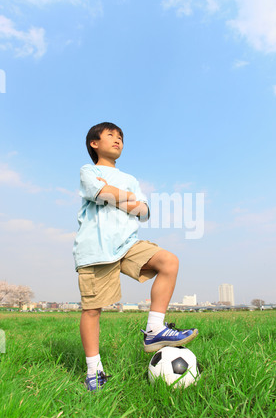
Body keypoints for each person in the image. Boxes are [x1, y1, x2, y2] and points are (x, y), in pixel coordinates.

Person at [73, 122, 198, 391]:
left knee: (169, 261)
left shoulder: (130, 179)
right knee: (93, 310)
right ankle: (94, 370)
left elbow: (143, 211)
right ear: (94, 143)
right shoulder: (89, 171)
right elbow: (99, 192)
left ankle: (154, 329)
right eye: (111, 136)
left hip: (128, 243)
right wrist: (124, 199)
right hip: (96, 247)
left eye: (121, 137)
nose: (118, 140)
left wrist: (117, 195)